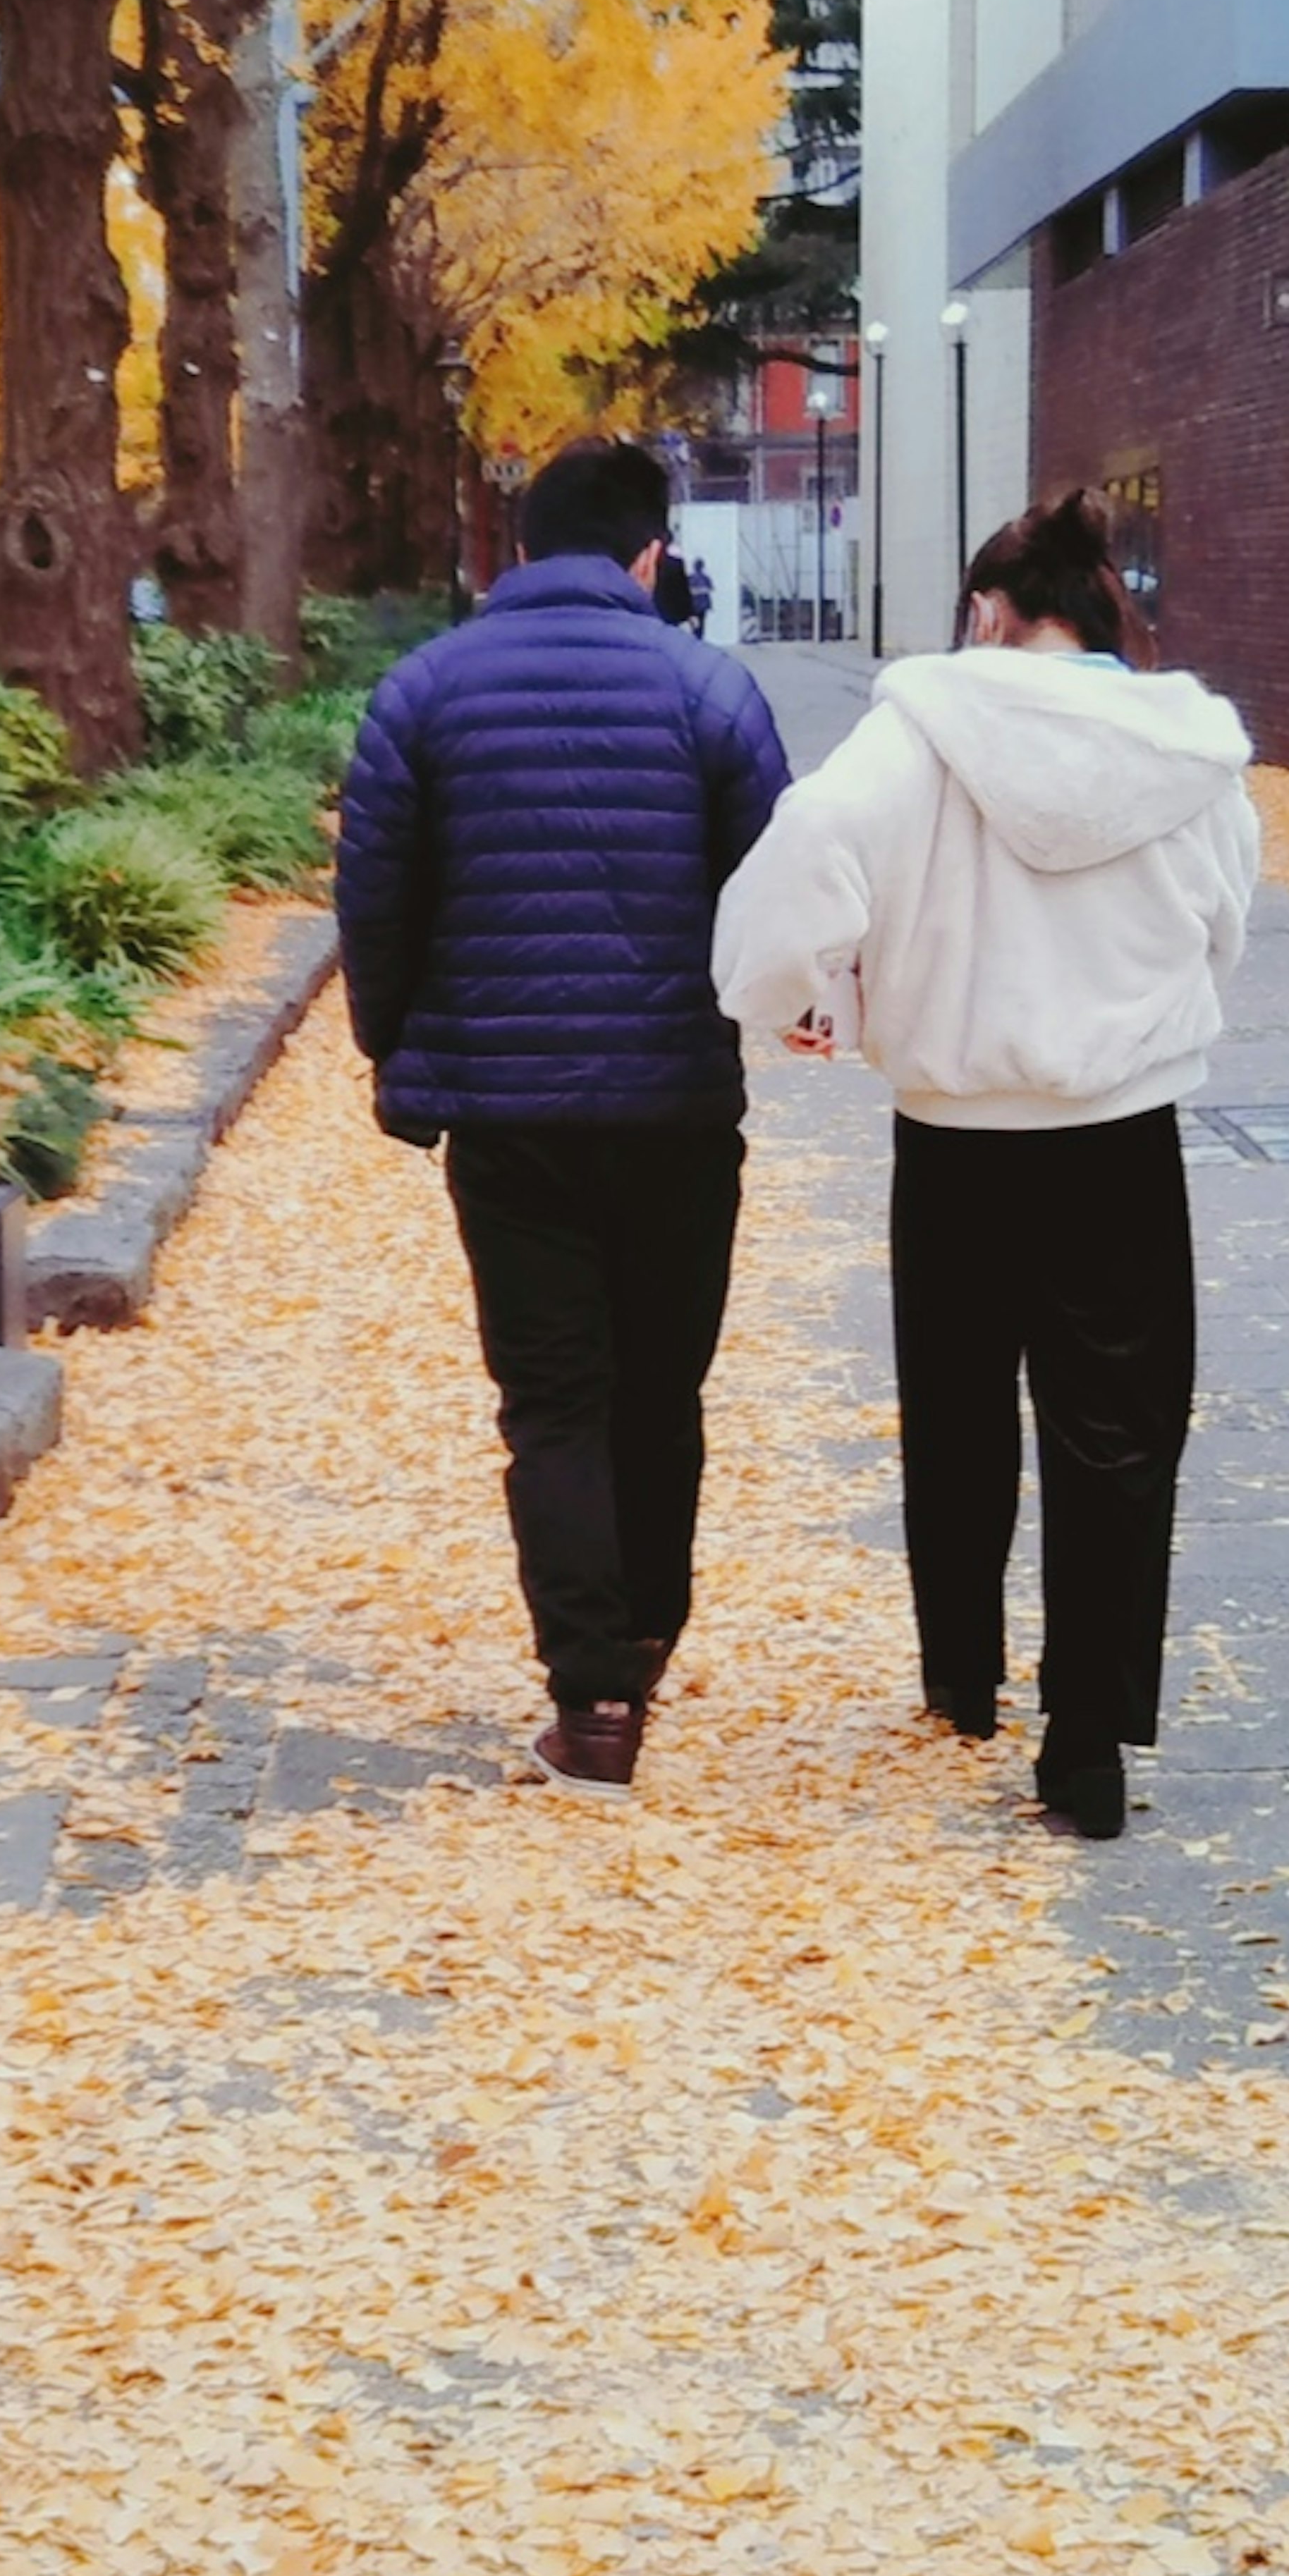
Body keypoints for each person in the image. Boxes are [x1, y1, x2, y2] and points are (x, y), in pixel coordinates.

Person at [709, 485, 1259, 1841]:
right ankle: (1088, 1737)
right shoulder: (1184, 751)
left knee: (957, 1414)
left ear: (989, 615)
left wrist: (802, 1003)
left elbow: (795, 872)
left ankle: (961, 1675)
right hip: (1122, 1134)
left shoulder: (921, 734)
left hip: (956, 1133)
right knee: (1120, 1432)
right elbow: (1224, 919)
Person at [335, 434, 792, 1794]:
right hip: (674, 1106)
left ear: (517, 548)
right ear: (651, 555)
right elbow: (772, 890)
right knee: (663, 1387)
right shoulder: (710, 688)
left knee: (551, 1400)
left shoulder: (421, 692)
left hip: (509, 1112)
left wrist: (399, 1048)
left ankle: (592, 1700)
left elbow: (376, 898)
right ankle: (646, 1628)